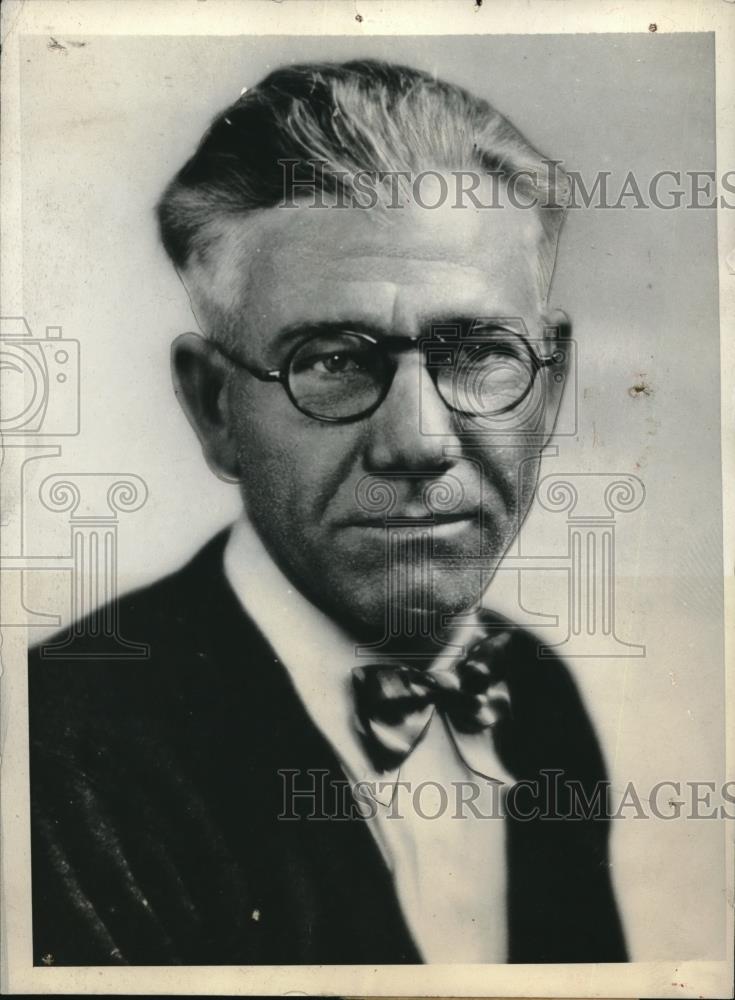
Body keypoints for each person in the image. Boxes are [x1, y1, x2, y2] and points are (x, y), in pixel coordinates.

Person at [28, 59, 627, 966]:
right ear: (214, 407)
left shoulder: (535, 696)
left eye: (476, 354)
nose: (419, 443)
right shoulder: (56, 757)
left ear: (549, 388)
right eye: (335, 360)